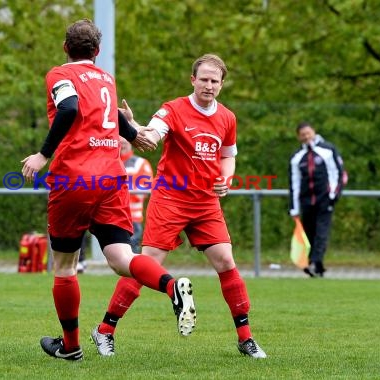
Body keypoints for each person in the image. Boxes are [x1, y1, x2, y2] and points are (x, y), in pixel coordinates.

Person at [20, 19, 195, 361]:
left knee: (66, 266)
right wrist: (133, 134)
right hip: (111, 177)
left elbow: (70, 107)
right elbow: (109, 113)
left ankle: (70, 347)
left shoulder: (60, 74)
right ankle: (172, 286)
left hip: (75, 177)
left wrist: (43, 154)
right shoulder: (106, 79)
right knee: (122, 258)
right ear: (97, 52)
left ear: (65, 48)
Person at [90, 54, 267, 359]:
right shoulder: (173, 109)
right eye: (204, 80)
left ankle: (246, 338)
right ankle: (104, 330)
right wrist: (133, 126)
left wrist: (226, 178)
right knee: (147, 264)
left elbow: (228, 155)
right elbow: (153, 134)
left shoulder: (227, 118)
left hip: (205, 202)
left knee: (226, 260)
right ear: (193, 80)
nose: (208, 86)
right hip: (170, 198)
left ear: (222, 84)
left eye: (215, 81)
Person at [288, 122, 344, 277]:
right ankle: (317, 267)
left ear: (314, 132)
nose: (306, 136)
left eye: (308, 133)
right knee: (310, 233)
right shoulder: (297, 157)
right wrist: (293, 207)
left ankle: (313, 262)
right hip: (306, 202)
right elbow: (294, 182)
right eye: (302, 134)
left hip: (325, 199)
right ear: (299, 137)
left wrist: (334, 195)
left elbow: (339, 174)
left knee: (322, 232)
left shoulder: (328, 150)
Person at [120, 136, 153, 253]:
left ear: (131, 143)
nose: (122, 145)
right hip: (112, 216)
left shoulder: (141, 163)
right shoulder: (110, 162)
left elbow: (148, 189)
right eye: (120, 142)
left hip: (133, 216)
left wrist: (122, 189)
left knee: (132, 252)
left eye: (125, 142)